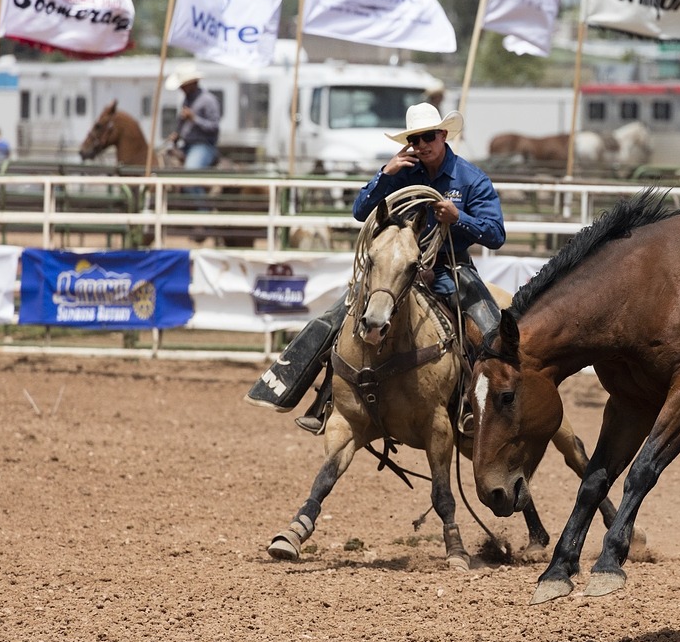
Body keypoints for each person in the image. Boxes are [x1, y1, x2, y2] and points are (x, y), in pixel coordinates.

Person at [245, 102, 506, 432]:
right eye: (414, 140)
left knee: (490, 326)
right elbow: (360, 212)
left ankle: (486, 405)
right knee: (340, 316)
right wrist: (386, 173)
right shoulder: (400, 173)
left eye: (427, 137)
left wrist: (460, 218)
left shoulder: (470, 180)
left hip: (447, 266)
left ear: (442, 135)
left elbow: (495, 234)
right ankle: (320, 396)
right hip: (394, 270)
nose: (421, 145)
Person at [164, 65, 221, 169]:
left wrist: (194, 118)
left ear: (193, 83)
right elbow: (184, 124)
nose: (181, 88)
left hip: (203, 146)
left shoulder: (208, 100)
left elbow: (214, 127)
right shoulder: (187, 100)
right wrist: (177, 135)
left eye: (183, 85)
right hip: (185, 145)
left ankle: (194, 186)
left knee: (190, 173)